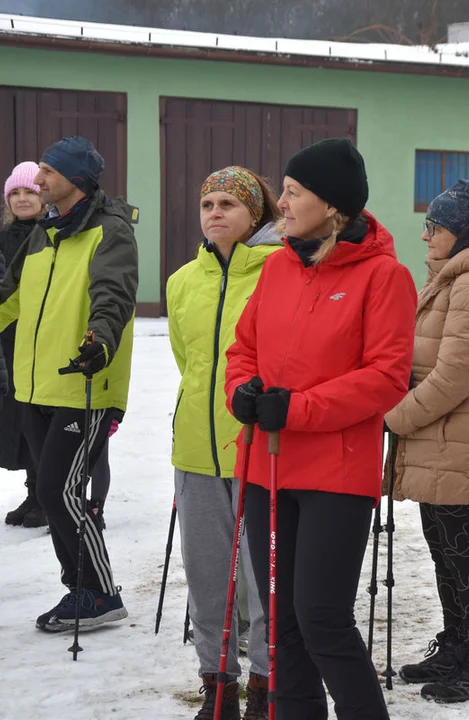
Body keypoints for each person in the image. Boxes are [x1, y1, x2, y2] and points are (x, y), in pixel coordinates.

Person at [225, 138, 416, 720]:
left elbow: (386, 378)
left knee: (322, 618)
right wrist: (243, 390)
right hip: (266, 467)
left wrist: (299, 408)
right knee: (280, 624)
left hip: (334, 473)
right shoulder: (279, 266)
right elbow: (243, 347)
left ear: (332, 206)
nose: (280, 201)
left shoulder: (384, 277)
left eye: (293, 192)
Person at [384, 179, 469, 703]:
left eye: (433, 227)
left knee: (465, 560)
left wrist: (395, 418)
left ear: (458, 233)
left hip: (465, 445)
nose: (424, 236)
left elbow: (453, 379)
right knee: (446, 556)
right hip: (443, 444)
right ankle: (458, 645)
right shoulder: (451, 281)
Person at [0, 136, 138, 630]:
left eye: (47, 173)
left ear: (74, 180)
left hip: (85, 380)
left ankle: (100, 592)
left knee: (61, 491)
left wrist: (99, 341)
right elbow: (9, 297)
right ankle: (78, 588)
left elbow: (114, 295)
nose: (37, 182)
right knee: (54, 495)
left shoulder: (110, 230)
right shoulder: (45, 232)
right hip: (35, 388)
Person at [168, 166, 282, 720]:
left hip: (259, 447)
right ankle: (217, 687)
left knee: (262, 578)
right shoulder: (182, 280)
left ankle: (264, 684)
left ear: (254, 213)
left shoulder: (280, 271)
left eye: (227, 204)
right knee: (207, 575)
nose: (214, 213)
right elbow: (187, 363)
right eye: (207, 202)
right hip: (195, 447)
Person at [1, 161, 46, 528]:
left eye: (29, 191)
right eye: (14, 193)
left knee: (36, 420)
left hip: (37, 340)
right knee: (16, 422)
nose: (21, 198)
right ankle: (33, 493)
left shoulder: (49, 235)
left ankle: (45, 498)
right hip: (6, 340)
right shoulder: (4, 238)